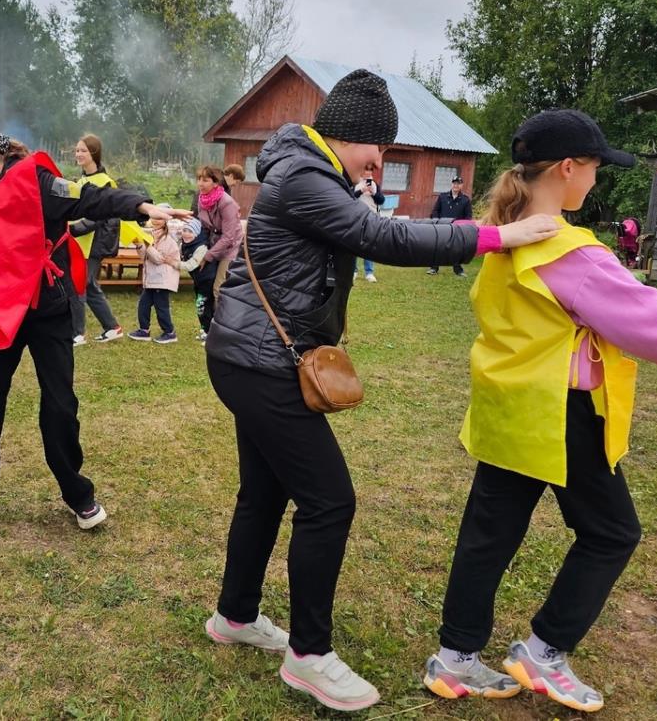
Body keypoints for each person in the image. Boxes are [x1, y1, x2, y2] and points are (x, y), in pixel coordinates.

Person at [201, 70, 560, 713]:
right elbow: (382, 238)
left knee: (264, 492)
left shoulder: (303, 169)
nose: (381, 162)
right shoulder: (307, 177)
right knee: (329, 501)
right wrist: (496, 236)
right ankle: (309, 657)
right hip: (261, 363)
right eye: (380, 149)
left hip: (246, 355)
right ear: (354, 136)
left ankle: (235, 615)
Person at [422, 108, 657, 714]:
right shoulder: (572, 251)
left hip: (507, 407)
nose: (597, 181)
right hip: (561, 414)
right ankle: (542, 652)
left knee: (488, 538)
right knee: (610, 533)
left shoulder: (505, 236)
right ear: (568, 168)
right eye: (595, 168)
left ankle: (455, 660)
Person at [0, 114, 188, 536]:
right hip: (1, 316)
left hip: (47, 310)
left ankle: (77, 493)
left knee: (59, 408)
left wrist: (142, 205)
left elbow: (90, 199)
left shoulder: (34, 182)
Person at [68, 134, 124, 346]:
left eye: (83, 150)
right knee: (89, 286)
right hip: (79, 244)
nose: (78, 154)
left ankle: (77, 333)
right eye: (77, 150)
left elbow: (98, 216)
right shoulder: (81, 181)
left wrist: (73, 229)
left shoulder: (105, 182)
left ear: (94, 153)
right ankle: (112, 327)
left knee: (80, 285)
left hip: (94, 244)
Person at [127, 205, 181, 344]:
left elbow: (158, 259)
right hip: (152, 279)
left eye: (160, 218)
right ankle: (144, 331)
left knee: (161, 307)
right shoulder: (150, 235)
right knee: (143, 305)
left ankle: (170, 333)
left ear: (165, 220)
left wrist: (147, 244)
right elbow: (143, 257)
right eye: (154, 217)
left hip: (163, 279)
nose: (156, 221)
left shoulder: (168, 240)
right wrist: (139, 245)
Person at [196, 164, 243, 298]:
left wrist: (207, 256)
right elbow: (204, 227)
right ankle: (209, 317)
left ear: (215, 182)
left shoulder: (227, 203)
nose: (200, 184)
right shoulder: (202, 199)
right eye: (199, 179)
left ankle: (221, 318)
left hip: (230, 247)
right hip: (214, 243)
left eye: (205, 180)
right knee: (206, 284)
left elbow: (229, 237)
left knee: (218, 289)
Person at [177, 218, 217, 340]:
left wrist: (172, 263)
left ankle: (209, 332)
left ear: (196, 234)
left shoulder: (201, 247)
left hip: (207, 281)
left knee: (203, 305)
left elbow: (191, 264)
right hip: (199, 281)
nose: (186, 234)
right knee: (202, 306)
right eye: (184, 230)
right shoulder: (185, 244)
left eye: (190, 231)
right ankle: (205, 330)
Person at [428, 175, 474, 276]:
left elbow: (468, 216)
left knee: (456, 249)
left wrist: (464, 227)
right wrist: (437, 222)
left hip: (457, 229)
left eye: (458, 183)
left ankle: (458, 270)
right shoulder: (442, 197)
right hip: (442, 227)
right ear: (451, 184)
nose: (456, 185)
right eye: (454, 183)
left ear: (462, 185)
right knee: (438, 247)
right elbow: (435, 211)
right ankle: (433, 268)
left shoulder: (465, 200)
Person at [351, 174, 384, 282]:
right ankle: (353, 271)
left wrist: (373, 193)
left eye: (370, 172)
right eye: (365, 172)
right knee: (354, 244)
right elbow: (349, 197)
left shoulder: (375, 185)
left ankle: (369, 273)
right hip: (357, 217)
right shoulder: (355, 183)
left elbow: (381, 200)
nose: (367, 174)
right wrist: (361, 191)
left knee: (369, 245)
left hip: (371, 218)